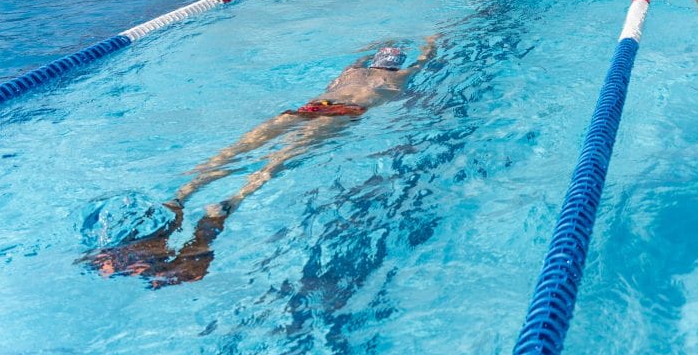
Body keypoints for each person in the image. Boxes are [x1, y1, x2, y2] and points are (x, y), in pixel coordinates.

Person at [85, 40, 437, 287]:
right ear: (395, 64)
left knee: (236, 150)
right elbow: (424, 61)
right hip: (346, 114)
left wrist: (380, 44)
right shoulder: (397, 78)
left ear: (377, 57)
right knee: (278, 160)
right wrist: (431, 44)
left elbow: (359, 57)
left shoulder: (349, 72)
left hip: (313, 106)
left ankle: (182, 194)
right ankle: (231, 201)